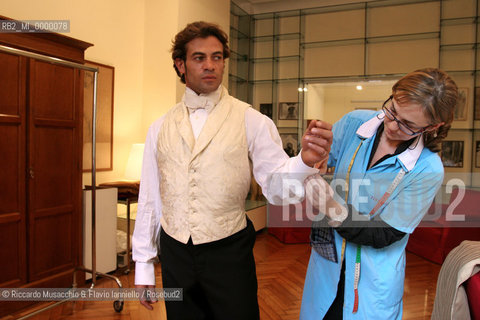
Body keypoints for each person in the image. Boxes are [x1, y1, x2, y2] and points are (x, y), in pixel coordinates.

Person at [132, 21, 333, 320]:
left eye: (217, 57)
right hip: (175, 251)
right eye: (199, 58)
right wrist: (144, 263)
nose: (210, 65)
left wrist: (303, 161)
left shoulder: (251, 119)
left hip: (228, 250)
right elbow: (150, 197)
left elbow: (277, 190)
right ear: (181, 64)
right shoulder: (158, 127)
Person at [300, 68, 458, 319]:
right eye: (393, 110)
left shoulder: (428, 169)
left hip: (371, 284)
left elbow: (386, 232)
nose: (392, 126)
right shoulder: (355, 122)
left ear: (433, 126)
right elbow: (324, 158)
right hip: (327, 265)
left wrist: (331, 206)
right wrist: (316, 156)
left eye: (408, 125)